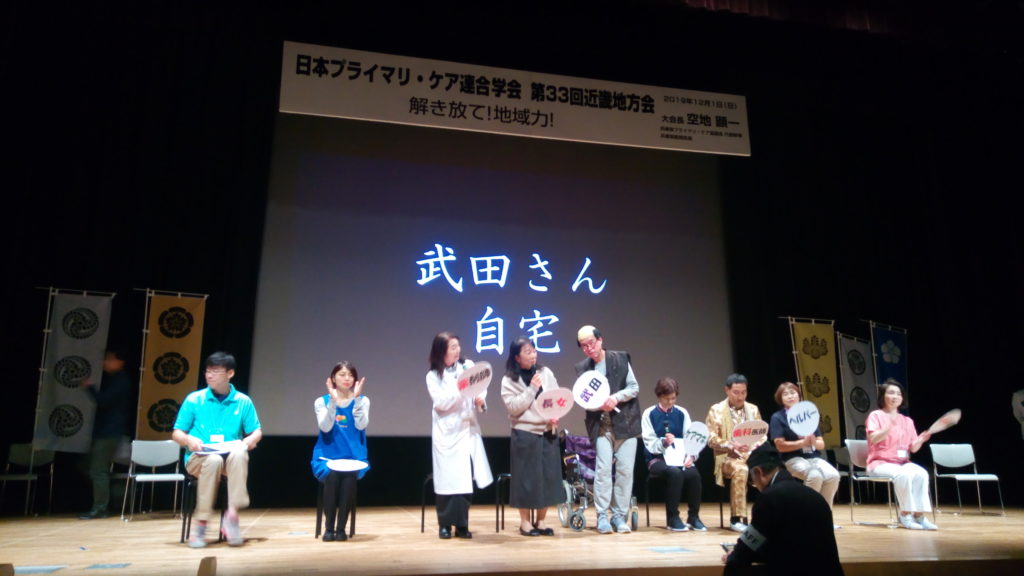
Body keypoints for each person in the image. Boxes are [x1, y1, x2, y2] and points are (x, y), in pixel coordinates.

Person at [172, 351, 262, 547]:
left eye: (215, 371)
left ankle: (232, 517)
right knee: (213, 461)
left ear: (230, 373)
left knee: (240, 452)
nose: (209, 375)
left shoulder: (243, 401)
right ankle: (201, 524)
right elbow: (177, 433)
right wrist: (188, 439)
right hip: (199, 458)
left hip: (230, 459)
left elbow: (256, 431)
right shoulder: (195, 399)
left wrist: (250, 440)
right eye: (207, 371)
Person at [723, 444, 844, 575]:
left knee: (733, 569)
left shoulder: (769, 497)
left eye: (752, 481)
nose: (755, 485)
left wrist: (733, 556)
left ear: (759, 472)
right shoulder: (816, 496)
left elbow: (746, 549)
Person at [574, 325, 641, 534]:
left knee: (625, 471)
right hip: (601, 425)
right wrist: (597, 405)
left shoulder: (620, 359)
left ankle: (619, 516)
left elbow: (634, 387)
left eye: (591, 343)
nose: (589, 348)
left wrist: (616, 398)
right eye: (584, 346)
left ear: (600, 340)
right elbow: (584, 399)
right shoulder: (583, 368)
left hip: (626, 423)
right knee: (603, 469)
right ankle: (602, 516)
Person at [426, 331, 493, 539]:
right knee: (447, 481)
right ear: (441, 351)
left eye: (458, 346)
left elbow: (480, 389)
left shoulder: (467, 366)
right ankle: (444, 525)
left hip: (467, 430)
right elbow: (441, 403)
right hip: (446, 433)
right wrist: (462, 387)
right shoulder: (433, 376)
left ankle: (462, 525)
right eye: (452, 347)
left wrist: (480, 399)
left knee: (465, 480)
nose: (457, 351)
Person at [500, 336, 562, 537]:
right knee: (525, 479)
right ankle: (525, 523)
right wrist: (532, 388)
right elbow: (513, 407)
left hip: (548, 431)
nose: (533, 354)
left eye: (534, 350)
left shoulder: (545, 372)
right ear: (517, 357)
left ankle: (541, 521)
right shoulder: (509, 380)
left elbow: (556, 397)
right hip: (525, 433)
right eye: (527, 352)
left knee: (548, 477)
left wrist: (556, 414)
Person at [865, 378, 937, 530]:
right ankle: (905, 515)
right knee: (903, 475)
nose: (896, 396)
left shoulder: (907, 421)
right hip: (879, 464)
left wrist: (921, 440)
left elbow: (913, 448)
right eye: (891, 393)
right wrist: (887, 428)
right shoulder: (875, 415)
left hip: (902, 463)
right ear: (883, 396)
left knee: (921, 473)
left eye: (899, 394)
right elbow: (873, 438)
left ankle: (919, 516)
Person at [310, 361, 370, 542]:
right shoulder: (321, 401)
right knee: (332, 475)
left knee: (349, 477)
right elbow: (325, 427)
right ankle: (329, 528)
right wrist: (333, 402)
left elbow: (361, 425)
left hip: (353, 456)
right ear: (333, 379)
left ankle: (341, 528)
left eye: (350, 375)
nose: (347, 378)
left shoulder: (363, 400)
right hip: (327, 456)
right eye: (342, 375)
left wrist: (357, 400)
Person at [640, 377, 706, 532]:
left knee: (693, 474)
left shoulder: (682, 413)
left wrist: (691, 456)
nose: (670, 402)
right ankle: (673, 518)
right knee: (675, 473)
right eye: (666, 398)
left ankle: (693, 516)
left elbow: (690, 438)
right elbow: (649, 441)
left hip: (679, 457)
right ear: (659, 396)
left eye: (673, 398)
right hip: (657, 458)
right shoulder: (649, 413)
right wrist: (663, 443)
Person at [768, 382, 841, 517]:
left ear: (799, 395)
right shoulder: (778, 418)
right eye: (785, 394)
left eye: (793, 393)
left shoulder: (808, 415)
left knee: (833, 475)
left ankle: (824, 516)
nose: (790, 396)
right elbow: (780, 445)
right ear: (780, 399)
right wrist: (802, 443)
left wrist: (812, 441)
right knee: (815, 475)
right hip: (791, 459)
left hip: (813, 457)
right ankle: (805, 516)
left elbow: (821, 444)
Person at [79, 349, 133, 519]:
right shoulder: (116, 380)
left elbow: (103, 401)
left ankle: (101, 508)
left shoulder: (121, 381)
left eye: (109, 359)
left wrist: (90, 387)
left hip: (109, 432)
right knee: (94, 468)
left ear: (120, 362)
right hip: (108, 431)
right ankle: (106, 503)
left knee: (98, 470)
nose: (105, 363)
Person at [706, 373, 763, 533]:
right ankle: (737, 519)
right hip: (727, 457)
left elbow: (762, 435)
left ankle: (768, 516)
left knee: (770, 468)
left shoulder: (752, 409)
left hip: (750, 454)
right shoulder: (716, 410)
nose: (740, 396)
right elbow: (711, 439)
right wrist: (731, 445)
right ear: (727, 390)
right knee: (741, 469)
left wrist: (752, 446)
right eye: (736, 392)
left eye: (743, 392)